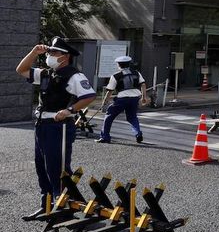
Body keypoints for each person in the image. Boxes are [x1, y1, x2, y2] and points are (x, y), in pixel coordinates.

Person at [16, 37, 96, 220]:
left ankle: (63, 208)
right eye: (49, 52)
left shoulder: (74, 75)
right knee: (41, 166)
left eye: (54, 52)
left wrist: (69, 110)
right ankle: (46, 205)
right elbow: (21, 70)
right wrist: (34, 52)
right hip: (42, 124)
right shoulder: (46, 73)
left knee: (57, 168)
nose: (50, 55)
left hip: (58, 125)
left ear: (65, 56)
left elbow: (89, 96)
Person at [97, 56, 148, 144]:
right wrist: (144, 97)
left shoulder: (116, 76)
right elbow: (143, 85)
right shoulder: (136, 73)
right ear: (129, 64)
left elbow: (110, 90)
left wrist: (104, 102)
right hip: (135, 98)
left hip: (122, 99)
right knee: (132, 117)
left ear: (118, 65)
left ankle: (105, 137)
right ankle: (138, 133)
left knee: (109, 116)